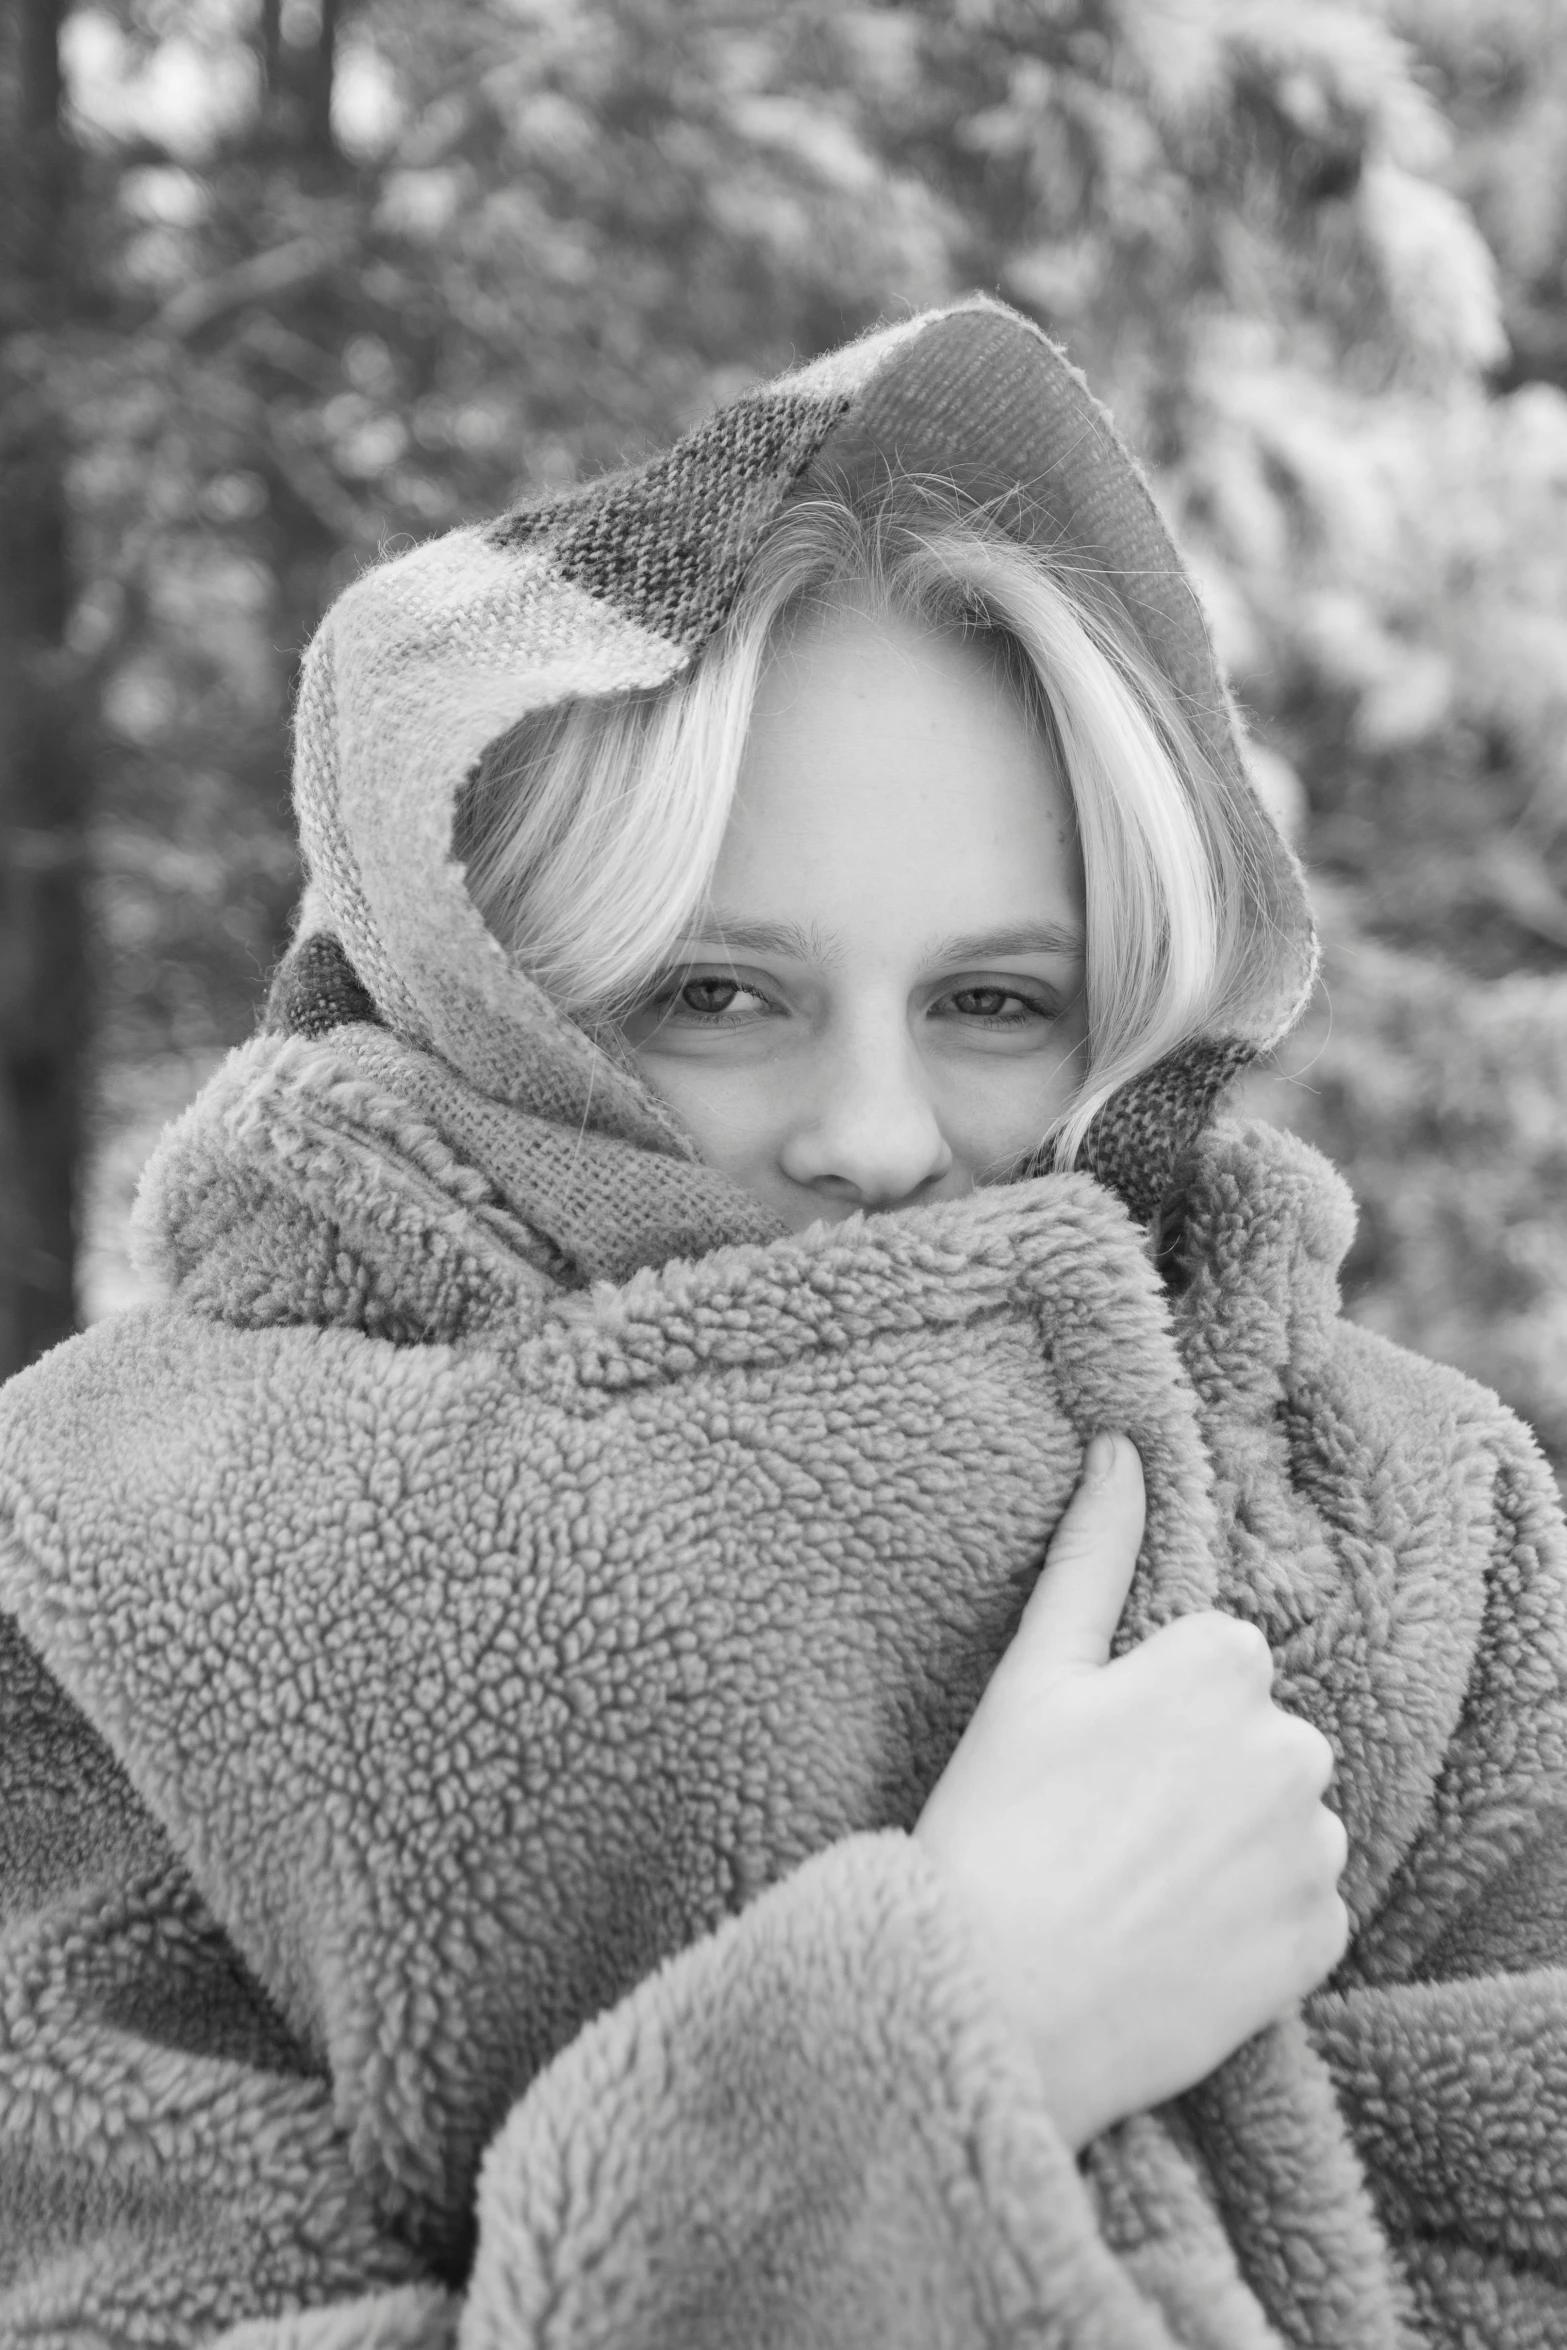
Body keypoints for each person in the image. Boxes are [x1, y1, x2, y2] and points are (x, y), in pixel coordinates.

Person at [0, 294, 1562, 2346]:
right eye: (720, 991)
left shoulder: (1423, 1525)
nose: (875, 1132)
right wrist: (956, 2021)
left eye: (995, 1001)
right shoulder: (126, 1536)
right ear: (507, 990)